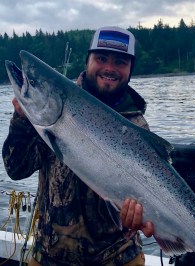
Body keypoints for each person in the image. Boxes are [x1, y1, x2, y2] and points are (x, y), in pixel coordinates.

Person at [2, 26, 154, 266]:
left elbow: (131, 214)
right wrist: (22, 120)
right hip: (49, 257)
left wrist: (132, 220)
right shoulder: (53, 103)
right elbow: (16, 169)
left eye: (120, 62)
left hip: (119, 260)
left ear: (130, 69)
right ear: (88, 61)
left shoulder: (137, 127)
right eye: (101, 58)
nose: (109, 68)